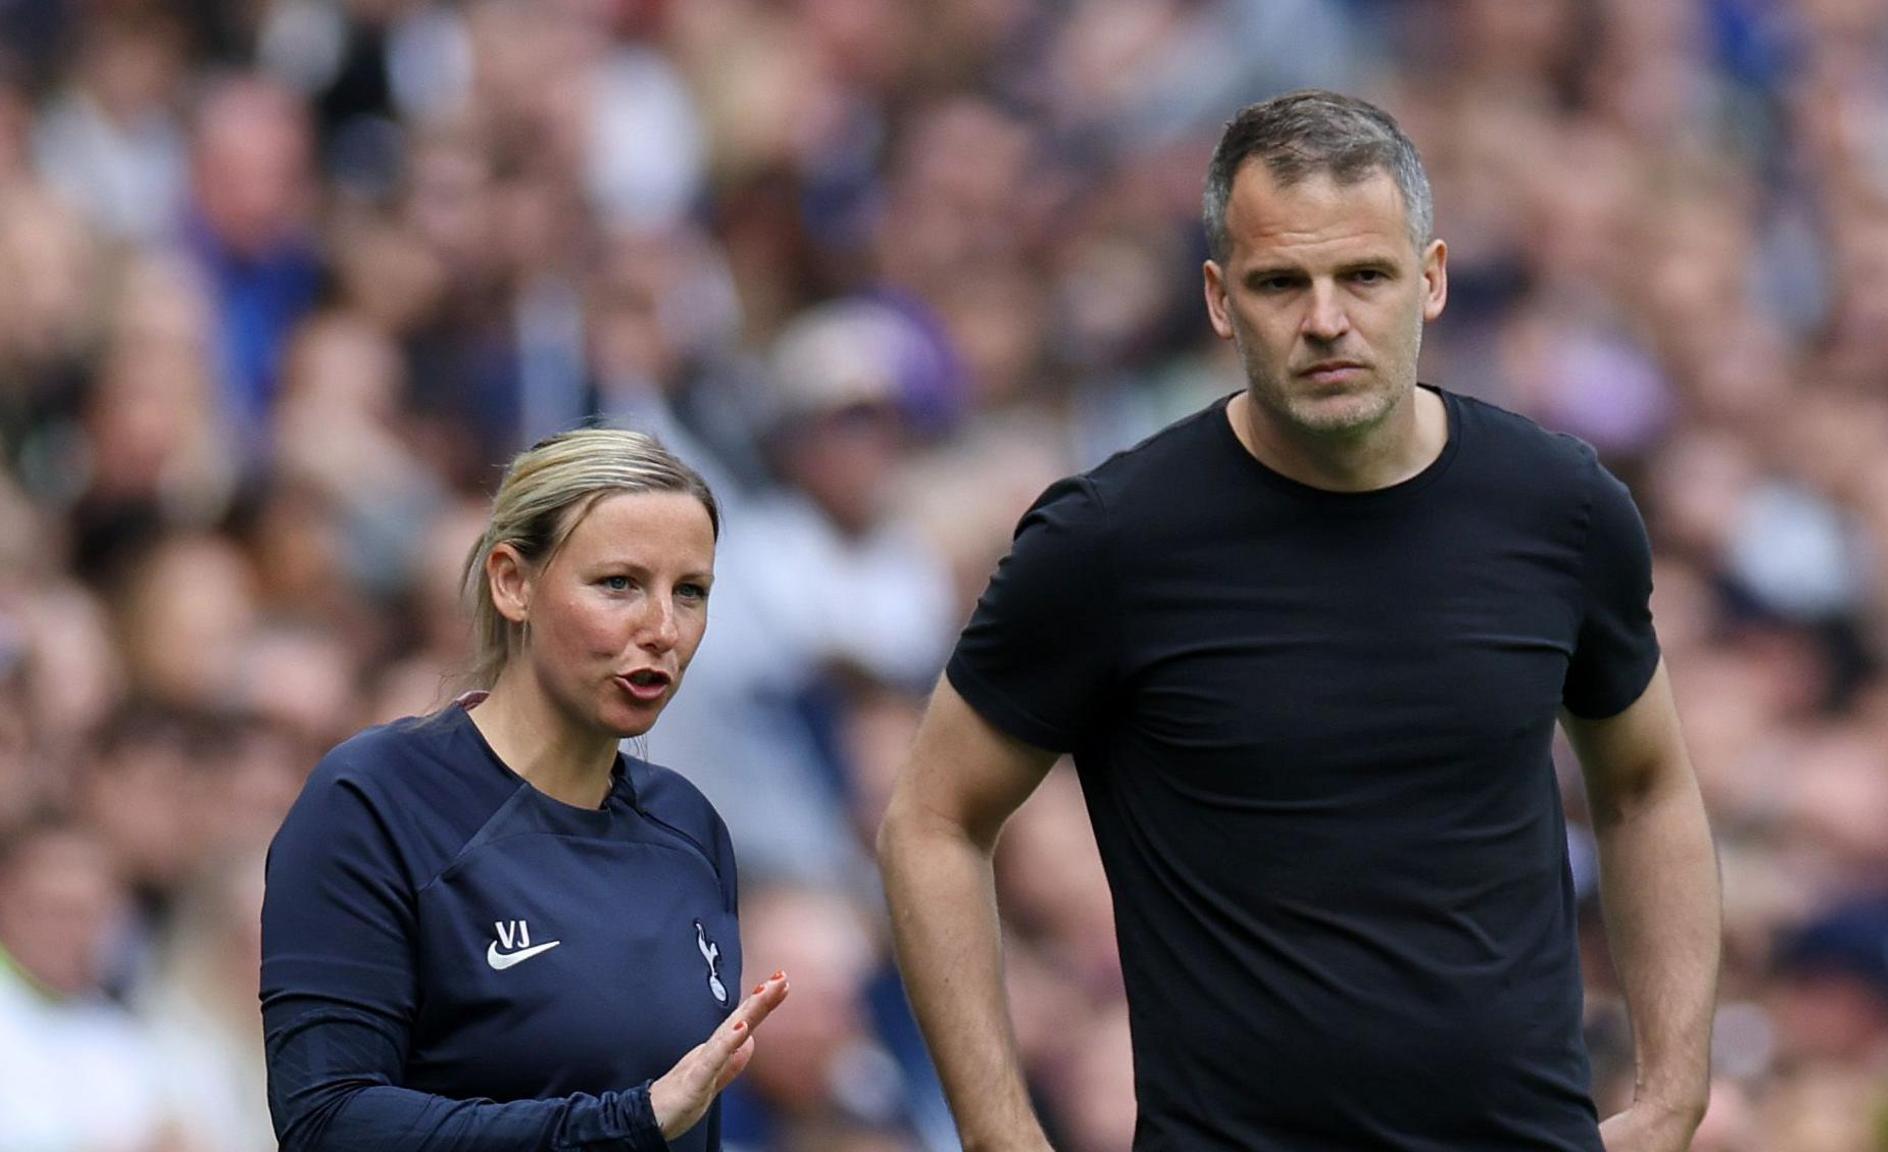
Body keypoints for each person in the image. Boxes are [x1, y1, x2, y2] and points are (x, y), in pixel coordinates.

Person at [877, 90, 1720, 1151]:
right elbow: (932, 821)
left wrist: (1674, 1087)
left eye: (1363, 276)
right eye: (1281, 282)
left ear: (1431, 278)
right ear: (1220, 300)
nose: (1325, 318)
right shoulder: (1111, 541)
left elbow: (1643, 786)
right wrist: (1003, 1137)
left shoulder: (1560, 508)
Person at [261, 427, 789, 1151]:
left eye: (690, 592)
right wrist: (624, 1123)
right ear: (513, 583)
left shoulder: (690, 830)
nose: (664, 629)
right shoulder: (373, 799)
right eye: (620, 584)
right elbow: (327, 1123)